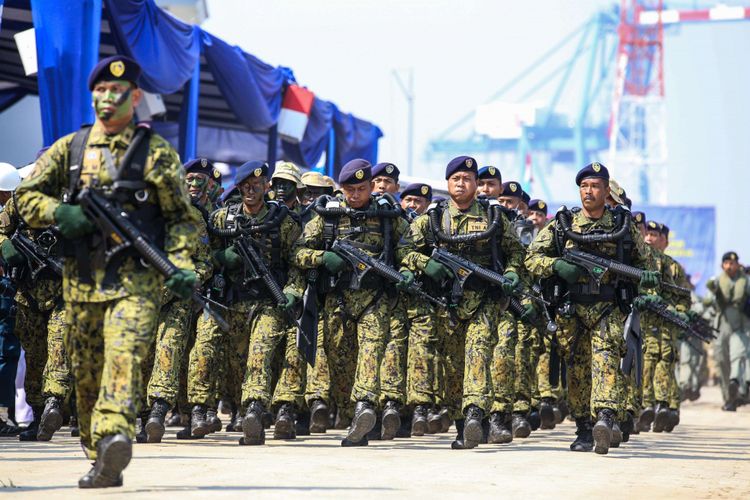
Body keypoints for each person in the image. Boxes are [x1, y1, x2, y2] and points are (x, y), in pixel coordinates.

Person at [15, 55, 199, 488]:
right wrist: (60, 212)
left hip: (135, 283)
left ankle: (116, 431)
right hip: (80, 286)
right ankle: (100, 455)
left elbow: (182, 219)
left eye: (117, 93)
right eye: (100, 92)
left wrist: (183, 263)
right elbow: (24, 198)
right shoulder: (71, 149)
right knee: (86, 375)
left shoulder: (155, 154)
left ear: (134, 98)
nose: (107, 100)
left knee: (124, 356)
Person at [525, 162, 657, 455]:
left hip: (608, 306)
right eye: (584, 186)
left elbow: (647, 264)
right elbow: (531, 259)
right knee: (578, 369)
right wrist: (556, 265)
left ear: (606, 190)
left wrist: (647, 283)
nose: (589, 191)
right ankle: (584, 426)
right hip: (572, 308)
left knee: (606, 360)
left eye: (595, 186)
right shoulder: (563, 224)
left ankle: (605, 417)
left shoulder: (622, 226)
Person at [399, 155, 526, 449]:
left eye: (467, 179)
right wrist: (424, 264)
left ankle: (474, 414)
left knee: (478, 354)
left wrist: (511, 272)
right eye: (456, 178)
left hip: (483, 300)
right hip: (446, 303)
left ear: (475, 184)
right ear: (447, 183)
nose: (462, 183)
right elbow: (404, 250)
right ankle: (462, 423)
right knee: (453, 366)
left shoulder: (493, 217)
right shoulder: (433, 218)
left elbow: (516, 252)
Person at [292, 159, 409, 446]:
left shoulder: (387, 215)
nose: (355, 195)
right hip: (338, 299)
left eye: (360, 189)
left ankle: (364, 407)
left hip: (374, 298)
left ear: (371, 186)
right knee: (340, 361)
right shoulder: (328, 215)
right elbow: (298, 252)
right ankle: (353, 414)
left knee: (370, 353)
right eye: (349, 189)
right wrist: (322, 258)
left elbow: (408, 247)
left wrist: (406, 269)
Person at [706, 251, 750, 411]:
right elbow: (708, 301)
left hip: (740, 325)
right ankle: (729, 397)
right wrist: (712, 292)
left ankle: (738, 386)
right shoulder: (717, 281)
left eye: (733, 263)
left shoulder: (746, 281)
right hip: (722, 324)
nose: (730, 266)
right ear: (722, 265)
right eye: (727, 263)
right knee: (722, 361)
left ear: (738, 264)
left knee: (738, 356)